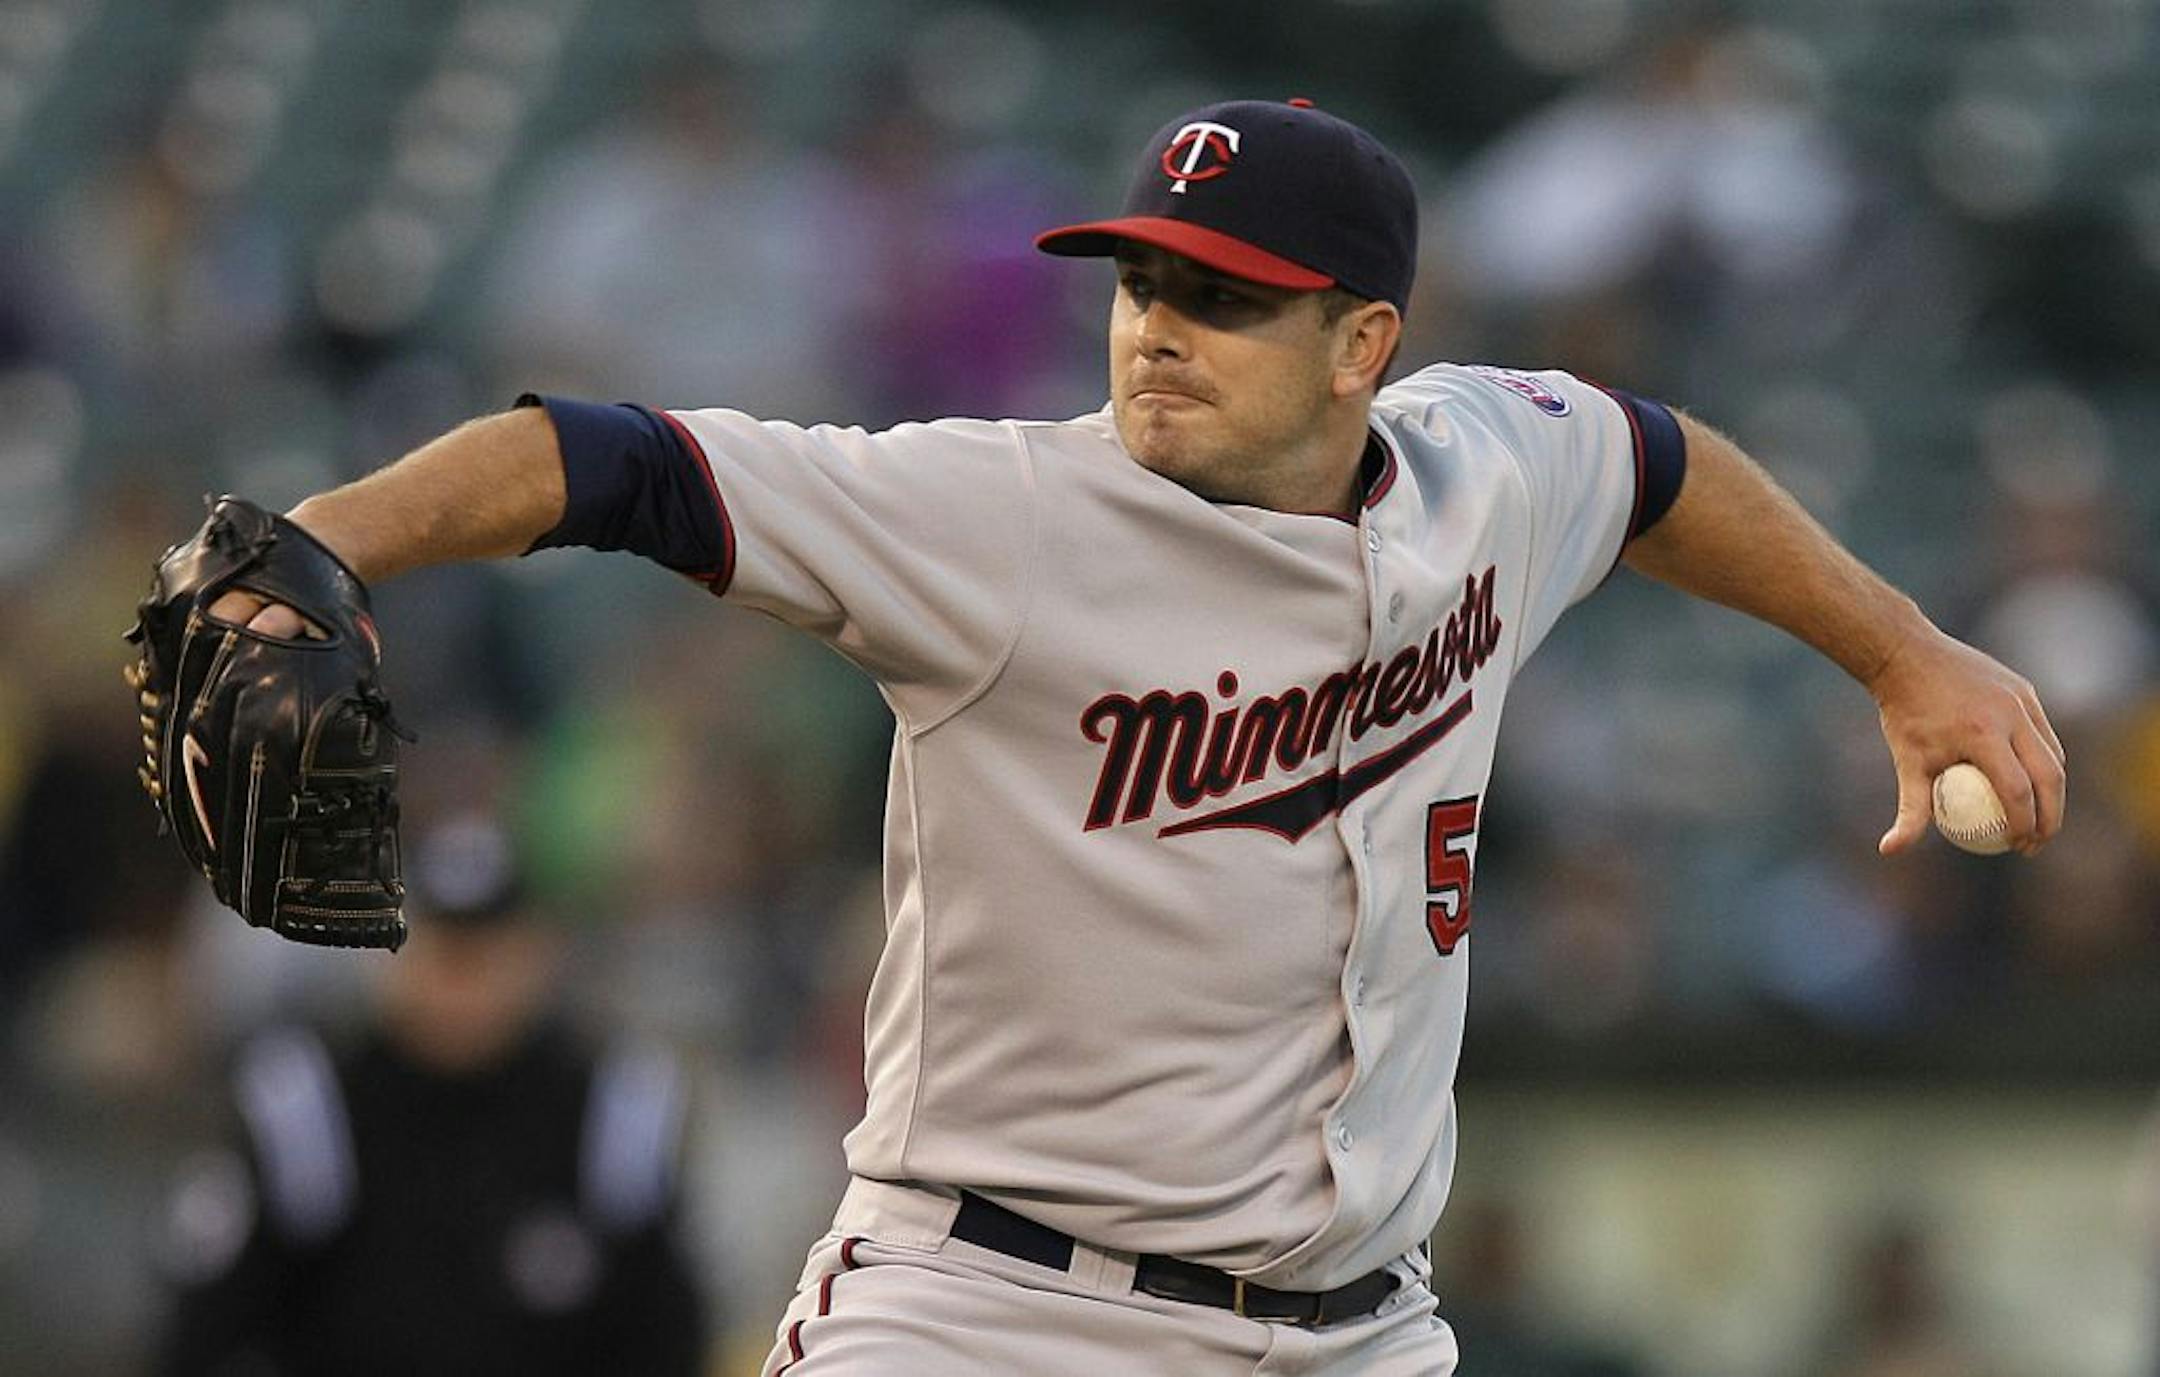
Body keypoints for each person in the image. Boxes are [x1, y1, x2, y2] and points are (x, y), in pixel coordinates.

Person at [196, 98, 2065, 1375]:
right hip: (994, 1303)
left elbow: (1653, 461)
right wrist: (327, 540)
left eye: (1225, 298)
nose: (1158, 328)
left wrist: (1900, 653)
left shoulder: (1490, 470)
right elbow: (600, 461)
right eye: (1144, 280)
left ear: (1364, 345)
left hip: (1356, 1323)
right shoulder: (993, 516)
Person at [154, 813, 707, 1377]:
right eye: (440, 951)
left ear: (539, 954)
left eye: (486, 954)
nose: (461, 984)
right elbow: (202, 1328)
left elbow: (669, 1332)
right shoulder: (304, 1106)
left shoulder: (613, 1109)